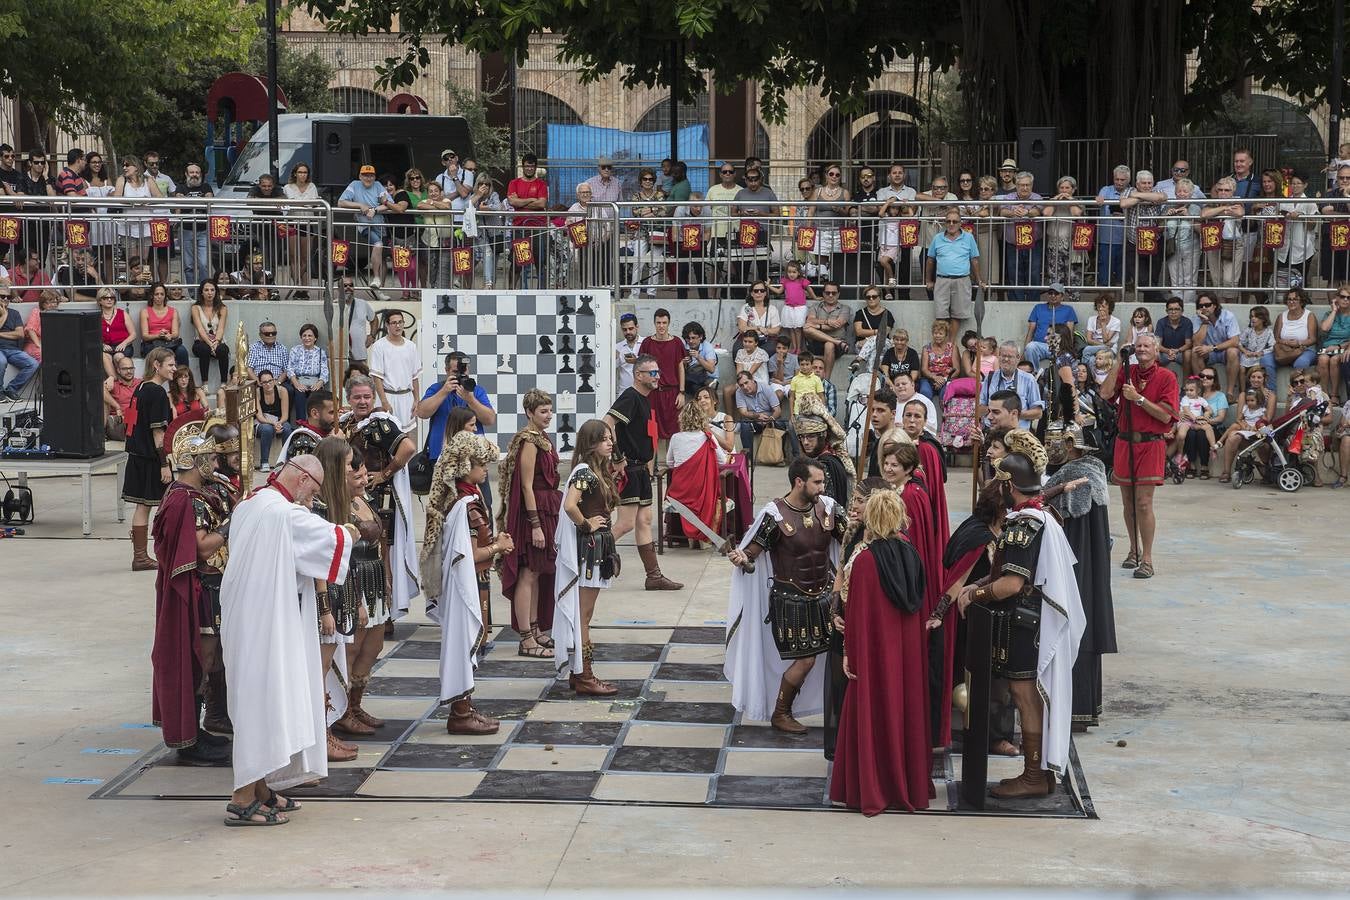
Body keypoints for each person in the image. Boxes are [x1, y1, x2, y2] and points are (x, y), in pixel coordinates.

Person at [220, 452, 357, 827]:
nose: (311, 498)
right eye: (312, 490)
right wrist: (352, 528)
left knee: (260, 700)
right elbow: (334, 541)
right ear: (299, 480)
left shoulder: (252, 501)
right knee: (261, 704)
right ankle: (241, 799)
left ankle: (262, 788)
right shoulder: (287, 515)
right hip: (265, 624)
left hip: (244, 618)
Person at [956, 449, 1085, 800]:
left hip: (1024, 626)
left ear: (1009, 485)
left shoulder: (1022, 524)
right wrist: (979, 584)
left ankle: (1033, 776)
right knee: (1029, 697)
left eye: (1000, 481)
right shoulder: (1040, 515)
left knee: (1026, 697)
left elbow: (1012, 585)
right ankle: (1038, 773)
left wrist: (975, 596)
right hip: (1032, 622)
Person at [830, 489, 931, 815]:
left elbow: (857, 617)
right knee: (905, 713)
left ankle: (872, 788)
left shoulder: (865, 561)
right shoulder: (913, 556)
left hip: (874, 657)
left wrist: (849, 654)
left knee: (872, 715)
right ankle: (907, 785)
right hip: (907, 658)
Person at [726, 458, 846, 732]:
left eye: (823, 481)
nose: (822, 487)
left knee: (840, 655)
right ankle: (781, 713)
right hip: (791, 601)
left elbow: (850, 539)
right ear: (798, 482)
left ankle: (842, 713)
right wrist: (741, 557)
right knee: (806, 660)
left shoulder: (828, 509)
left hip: (827, 597)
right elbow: (753, 553)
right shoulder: (775, 514)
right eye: (817, 482)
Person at [150, 420, 233, 767]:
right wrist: (232, 525)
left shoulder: (200, 493)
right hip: (199, 592)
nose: (215, 465)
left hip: (212, 588)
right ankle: (190, 739)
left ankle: (202, 727)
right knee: (203, 659)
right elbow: (200, 547)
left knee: (212, 660)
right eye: (210, 460)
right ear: (196, 461)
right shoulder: (185, 501)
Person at [420, 431, 511, 734]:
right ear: (464, 466)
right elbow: (469, 555)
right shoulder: (466, 505)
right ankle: (460, 713)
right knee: (461, 644)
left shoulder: (466, 499)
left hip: (467, 583)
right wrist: (498, 547)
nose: (486, 469)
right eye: (481, 464)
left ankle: (466, 706)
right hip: (464, 586)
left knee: (464, 643)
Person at [1043, 422, 1116, 731]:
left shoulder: (1077, 479)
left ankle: (1073, 711)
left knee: (1074, 626)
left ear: (1071, 445)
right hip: (1085, 568)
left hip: (1076, 569)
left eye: (1056, 440)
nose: (1049, 445)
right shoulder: (1091, 474)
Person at [940, 483, 1019, 759]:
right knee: (986, 680)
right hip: (975, 620)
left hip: (1000, 615)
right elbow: (957, 580)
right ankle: (992, 738)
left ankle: (996, 734)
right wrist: (938, 614)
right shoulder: (978, 534)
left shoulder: (1006, 530)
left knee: (1000, 680)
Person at [554, 420, 624, 695]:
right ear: (591, 442)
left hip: (597, 548)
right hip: (590, 549)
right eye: (604, 439)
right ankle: (584, 675)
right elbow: (570, 505)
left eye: (610, 438)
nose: (610, 443)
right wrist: (586, 524)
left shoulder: (596, 470)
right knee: (583, 615)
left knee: (584, 613)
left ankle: (579, 671)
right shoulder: (586, 472)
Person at [1100, 333, 1178, 580]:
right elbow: (1105, 393)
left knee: (1143, 503)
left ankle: (1147, 558)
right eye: (1138, 345)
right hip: (1125, 442)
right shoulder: (1127, 370)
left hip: (1150, 444)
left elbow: (1166, 416)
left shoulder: (1167, 377)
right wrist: (1117, 362)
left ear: (1156, 350)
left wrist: (1139, 399)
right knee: (1128, 503)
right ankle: (1133, 549)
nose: (1141, 349)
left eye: (1146, 345)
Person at [345, 375, 420, 622]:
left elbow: (408, 448)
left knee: (381, 554)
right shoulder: (346, 424)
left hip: (379, 500)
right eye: (357, 397)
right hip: (353, 499)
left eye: (367, 396)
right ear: (349, 399)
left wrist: (384, 473)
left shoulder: (379, 424)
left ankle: (384, 613)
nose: (363, 401)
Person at [607, 357, 683, 590]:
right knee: (626, 523)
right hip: (629, 467)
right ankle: (586, 557)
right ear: (638, 375)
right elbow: (607, 424)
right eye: (652, 373)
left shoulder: (645, 400)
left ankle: (654, 576)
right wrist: (617, 458)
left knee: (645, 521)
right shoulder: (630, 397)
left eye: (658, 372)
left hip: (641, 470)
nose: (657, 376)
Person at [498, 389, 560, 655]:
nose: (548, 416)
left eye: (549, 410)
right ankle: (526, 638)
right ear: (529, 413)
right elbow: (525, 486)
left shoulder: (542, 438)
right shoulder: (529, 442)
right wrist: (535, 525)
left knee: (536, 572)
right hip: (533, 514)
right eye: (542, 411)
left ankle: (535, 628)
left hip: (547, 509)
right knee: (527, 573)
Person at [122, 348, 177, 570]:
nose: (174, 369)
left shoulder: (140, 388)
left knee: (142, 508)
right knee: (165, 506)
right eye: (170, 365)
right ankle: (146, 555)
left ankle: (141, 555)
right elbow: (158, 435)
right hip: (149, 459)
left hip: (136, 457)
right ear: (157, 365)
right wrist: (164, 464)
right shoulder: (156, 393)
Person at [415, 351, 497, 462]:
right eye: (455, 372)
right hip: (442, 455)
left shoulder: (476, 391)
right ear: (446, 371)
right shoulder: (437, 389)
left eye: (464, 371)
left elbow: (490, 420)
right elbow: (422, 413)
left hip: (472, 455)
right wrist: (444, 391)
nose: (461, 375)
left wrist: (471, 400)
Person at [666, 399, 727, 543]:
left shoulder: (675, 438)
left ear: (682, 418)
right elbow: (722, 461)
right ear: (702, 418)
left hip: (680, 493)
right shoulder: (707, 437)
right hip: (702, 492)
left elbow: (670, 463)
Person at [924, 208, 985, 338]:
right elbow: (930, 260)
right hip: (942, 280)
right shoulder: (937, 238)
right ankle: (942, 342)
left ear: (960, 223)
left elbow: (974, 260)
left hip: (962, 280)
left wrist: (979, 279)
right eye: (948, 221)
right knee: (941, 314)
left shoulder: (968, 238)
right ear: (945, 223)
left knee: (958, 314)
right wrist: (928, 280)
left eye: (955, 221)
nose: (951, 224)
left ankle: (950, 344)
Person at [793, 393, 854, 509]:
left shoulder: (825, 465)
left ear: (823, 435)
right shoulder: (827, 460)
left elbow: (823, 508)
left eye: (811, 437)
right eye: (802, 437)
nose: (805, 442)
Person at [337, 164, 394, 287]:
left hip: (380, 225)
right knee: (378, 245)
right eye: (365, 175)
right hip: (365, 226)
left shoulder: (378, 185)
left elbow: (390, 203)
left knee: (382, 256)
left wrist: (375, 210)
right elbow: (341, 202)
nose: (368, 178)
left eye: (371, 175)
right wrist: (360, 205)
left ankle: (380, 290)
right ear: (360, 176)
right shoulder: (354, 185)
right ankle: (376, 278)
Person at [637, 309, 685, 440]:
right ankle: (652, 461)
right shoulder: (647, 343)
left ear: (669, 323)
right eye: (658, 322)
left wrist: (681, 392)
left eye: (664, 322)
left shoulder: (676, 342)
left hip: (672, 393)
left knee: (675, 434)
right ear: (654, 323)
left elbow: (680, 367)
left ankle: (673, 461)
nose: (661, 326)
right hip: (652, 393)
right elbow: (641, 368)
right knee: (652, 433)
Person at [368, 309, 421, 428]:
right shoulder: (379, 346)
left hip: (406, 398)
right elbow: (377, 378)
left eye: (400, 322)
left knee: (405, 435)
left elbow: (415, 376)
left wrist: (416, 400)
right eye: (394, 323)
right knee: (386, 434)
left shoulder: (411, 346)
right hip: (387, 396)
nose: (398, 325)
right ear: (387, 325)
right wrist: (384, 401)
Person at [1022, 283, 1079, 369]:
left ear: (1062, 296)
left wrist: (1069, 349)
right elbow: (1030, 331)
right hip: (1040, 345)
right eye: (1050, 293)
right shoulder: (1038, 308)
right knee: (1030, 347)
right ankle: (1034, 375)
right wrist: (1024, 351)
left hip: (1059, 347)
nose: (1053, 296)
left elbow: (1069, 333)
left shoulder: (1068, 310)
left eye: (1056, 293)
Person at [803, 282, 851, 378]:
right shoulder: (815, 307)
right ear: (823, 293)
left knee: (829, 344)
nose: (830, 295)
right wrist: (827, 321)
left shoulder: (845, 308)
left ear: (838, 294)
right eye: (827, 292)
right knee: (806, 328)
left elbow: (838, 325)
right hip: (817, 342)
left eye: (834, 293)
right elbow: (810, 320)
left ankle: (826, 380)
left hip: (837, 346)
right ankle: (837, 342)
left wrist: (817, 326)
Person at [0, 289, 38, 401]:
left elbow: (20, 334)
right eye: (2, 296)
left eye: (8, 297)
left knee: (33, 364)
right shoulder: (7, 313)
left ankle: (11, 390)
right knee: (1, 362)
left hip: (13, 350)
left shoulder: (14, 313)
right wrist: (4, 315)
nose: (6, 299)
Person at [286, 323, 330, 421]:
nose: (307, 338)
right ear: (301, 337)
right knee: (299, 393)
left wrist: (320, 383)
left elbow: (324, 370)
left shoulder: (320, 352)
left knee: (316, 395)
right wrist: (296, 384)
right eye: (304, 335)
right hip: (299, 380)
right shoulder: (295, 350)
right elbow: (290, 369)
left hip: (314, 381)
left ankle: (314, 423)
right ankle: (301, 423)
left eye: (310, 335)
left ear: (315, 338)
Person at [190, 280, 229, 386]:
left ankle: (224, 383)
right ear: (201, 292)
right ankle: (205, 383)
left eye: (212, 290)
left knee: (223, 350)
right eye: (206, 290)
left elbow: (221, 328)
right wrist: (209, 343)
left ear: (216, 292)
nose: (209, 293)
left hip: (218, 341)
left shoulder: (222, 308)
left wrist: (216, 342)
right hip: (201, 341)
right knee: (204, 349)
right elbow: (200, 328)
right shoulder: (195, 308)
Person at [254, 370, 294, 470]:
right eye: (264, 382)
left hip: (279, 420)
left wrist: (279, 423)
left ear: (274, 380)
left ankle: (286, 460)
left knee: (287, 428)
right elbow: (260, 417)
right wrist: (273, 424)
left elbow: (285, 415)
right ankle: (264, 462)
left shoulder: (282, 391)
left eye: (270, 381)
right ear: (260, 383)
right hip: (262, 422)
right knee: (267, 429)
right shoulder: (257, 392)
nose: (268, 384)